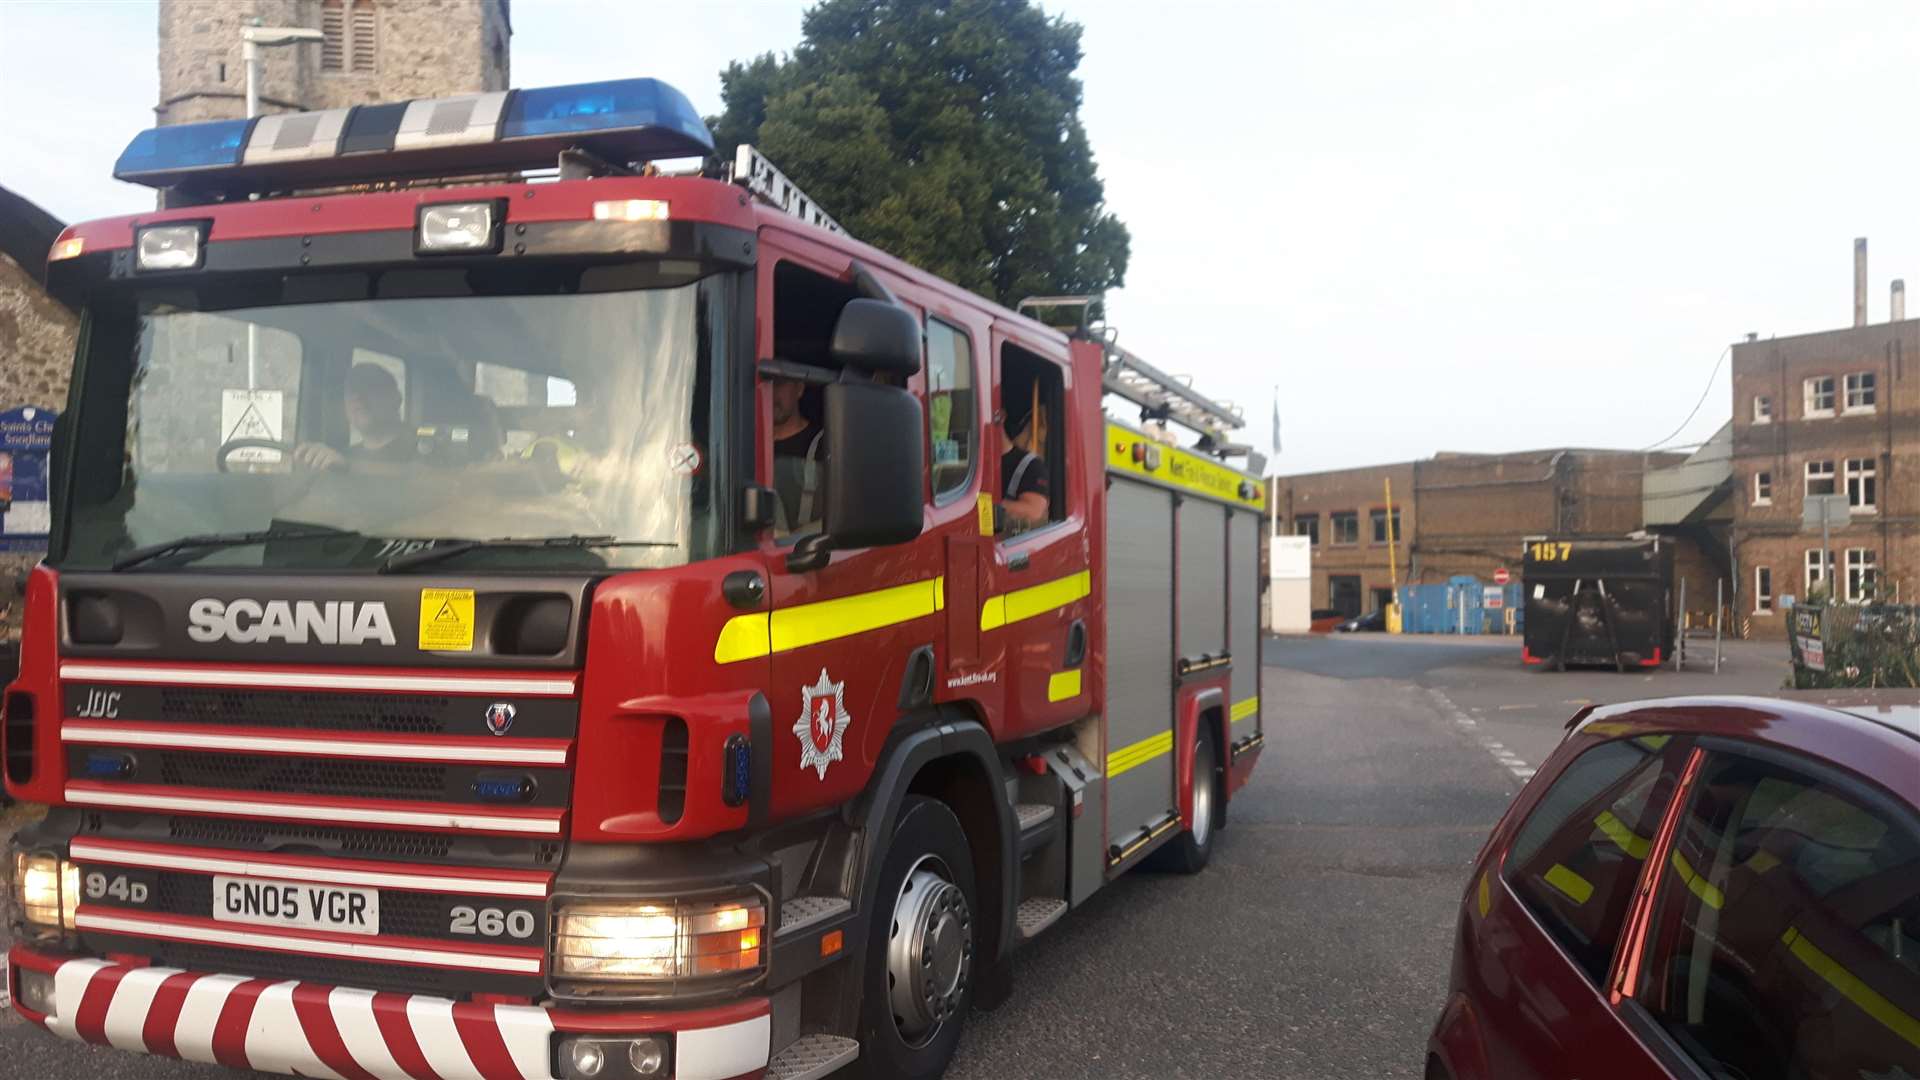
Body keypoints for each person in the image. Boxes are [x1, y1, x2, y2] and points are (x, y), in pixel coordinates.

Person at [293, 363, 413, 470]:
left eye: (368, 387)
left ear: (396, 398)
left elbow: (424, 479)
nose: (357, 397)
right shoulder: (340, 459)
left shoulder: (423, 448)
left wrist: (350, 468)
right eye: (350, 391)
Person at [770, 372, 827, 535]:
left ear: (799, 389)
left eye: (779, 383)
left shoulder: (828, 445)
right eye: (765, 382)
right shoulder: (739, 445)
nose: (770, 391)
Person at [999, 397, 1049, 532]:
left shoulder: (1031, 466)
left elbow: (1034, 512)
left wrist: (982, 509)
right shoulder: (968, 466)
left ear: (1000, 415)